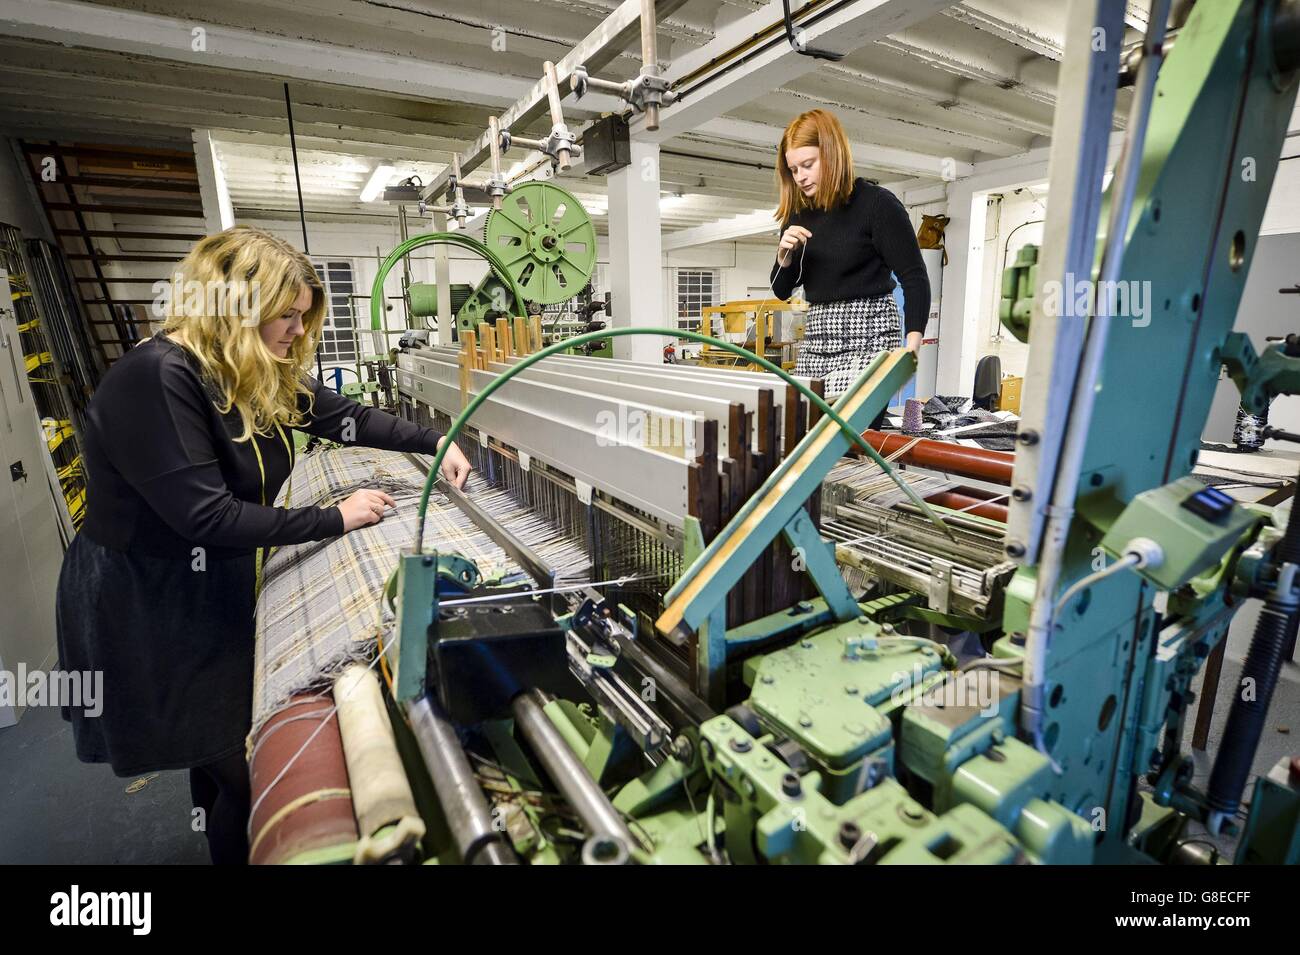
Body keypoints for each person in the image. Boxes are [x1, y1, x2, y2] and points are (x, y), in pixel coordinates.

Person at [55, 225, 471, 864]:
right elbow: (207, 518)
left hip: (206, 580)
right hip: (147, 601)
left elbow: (340, 416)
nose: (298, 332)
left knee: (222, 743)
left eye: (305, 317)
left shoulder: (244, 369)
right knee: (252, 777)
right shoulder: (158, 377)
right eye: (288, 315)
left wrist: (434, 443)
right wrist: (335, 518)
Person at [769, 108, 931, 398]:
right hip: (817, 336)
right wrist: (784, 256)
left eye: (807, 165)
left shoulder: (877, 205)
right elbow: (781, 291)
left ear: (832, 154)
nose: (801, 177)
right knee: (803, 424)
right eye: (793, 170)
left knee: (845, 427)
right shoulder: (797, 216)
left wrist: (912, 348)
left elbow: (914, 276)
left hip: (870, 334)